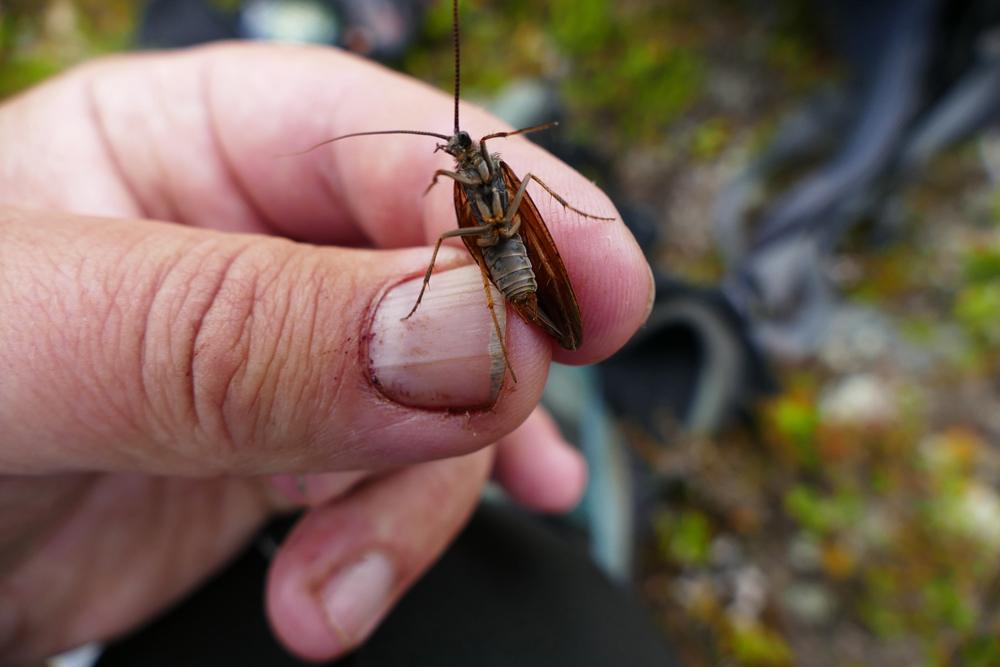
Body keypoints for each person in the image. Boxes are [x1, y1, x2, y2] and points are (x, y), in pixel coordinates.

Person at [0, 43, 653, 664]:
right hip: (504, 258)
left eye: (465, 148)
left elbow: (510, 201)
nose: (460, 153)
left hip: (524, 254)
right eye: (456, 153)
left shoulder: (490, 167)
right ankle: (545, 487)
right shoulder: (457, 181)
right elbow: (464, 219)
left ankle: (531, 449)